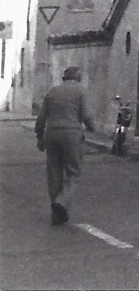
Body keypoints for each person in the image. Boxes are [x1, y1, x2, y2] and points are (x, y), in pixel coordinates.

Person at [35, 65, 94, 224]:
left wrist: (39, 136)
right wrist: (92, 127)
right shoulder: (81, 91)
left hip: (52, 134)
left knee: (54, 173)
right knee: (73, 172)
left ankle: (57, 213)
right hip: (72, 134)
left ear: (63, 78)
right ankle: (61, 202)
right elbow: (87, 115)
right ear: (79, 79)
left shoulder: (52, 92)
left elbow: (41, 118)